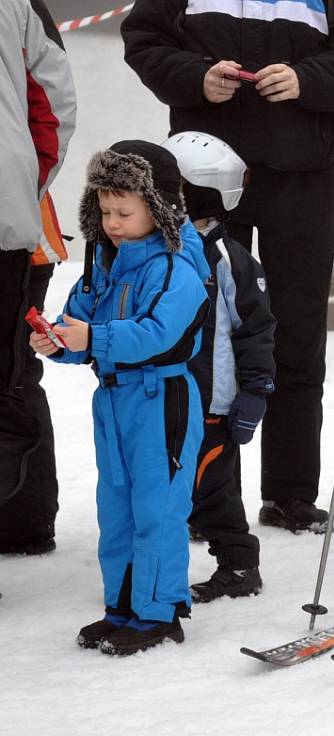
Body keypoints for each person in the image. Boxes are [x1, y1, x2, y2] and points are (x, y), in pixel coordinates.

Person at [120, 0, 334, 533]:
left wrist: (306, 79)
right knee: (204, 335)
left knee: (298, 330)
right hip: (204, 175)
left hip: (304, 175)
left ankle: (290, 493)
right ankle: (204, 494)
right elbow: (143, 38)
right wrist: (196, 77)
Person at [30, 141, 210, 655]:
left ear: (160, 208)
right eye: (105, 210)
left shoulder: (177, 267)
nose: (112, 222)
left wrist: (95, 338)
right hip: (111, 400)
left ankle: (158, 612)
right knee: (117, 506)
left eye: (124, 212)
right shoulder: (104, 264)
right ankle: (123, 608)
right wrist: (57, 341)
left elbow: (158, 333)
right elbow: (79, 324)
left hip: (161, 396)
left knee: (158, 505)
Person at [162, 131, 277, 603]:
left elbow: (256, 330)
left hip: (213, 403)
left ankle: (238, 564)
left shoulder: (231, 261)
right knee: (172, 481)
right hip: (170, 395)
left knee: (214, 488)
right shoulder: (163, 251)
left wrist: (255, 392)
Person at [0, 0, 76, 556]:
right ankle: (21, 522)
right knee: (11, 376)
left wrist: (23, 183)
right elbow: (51, 99)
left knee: (13, 375)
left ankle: (22, 521)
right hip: (11, 217)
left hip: (13, 226)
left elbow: (50, 99)